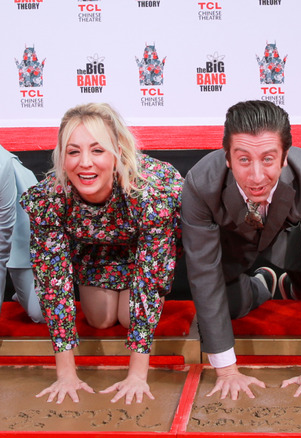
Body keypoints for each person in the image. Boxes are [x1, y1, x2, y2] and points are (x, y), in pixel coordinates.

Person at [21, 103, 182, 404]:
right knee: (101, 319)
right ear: (61, 156)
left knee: (131, 317)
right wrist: (66, 374)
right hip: (96, 250)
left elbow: (150, 278)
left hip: (147, 252)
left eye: (97, 150)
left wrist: (136, 375)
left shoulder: (148, 193)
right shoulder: (51, 197)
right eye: (73, 152)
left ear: (117, 152)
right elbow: (52, 282)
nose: (85, 163)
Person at [181, 100, 301, 400]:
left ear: (284, 158)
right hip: (233, 251)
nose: (256, 176)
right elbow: (203, 272)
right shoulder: (200, 183)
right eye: (244, 160)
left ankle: (289, 285)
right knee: (230, 304)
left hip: (292, 248)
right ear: (227, 157)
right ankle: (263, 286)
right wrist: (227, 371)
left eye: (268, 159)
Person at [0, 145, 44, 323]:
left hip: (19, 227)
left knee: (40, 314)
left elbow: (2, 246)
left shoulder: (2, 164)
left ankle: (27, 291)